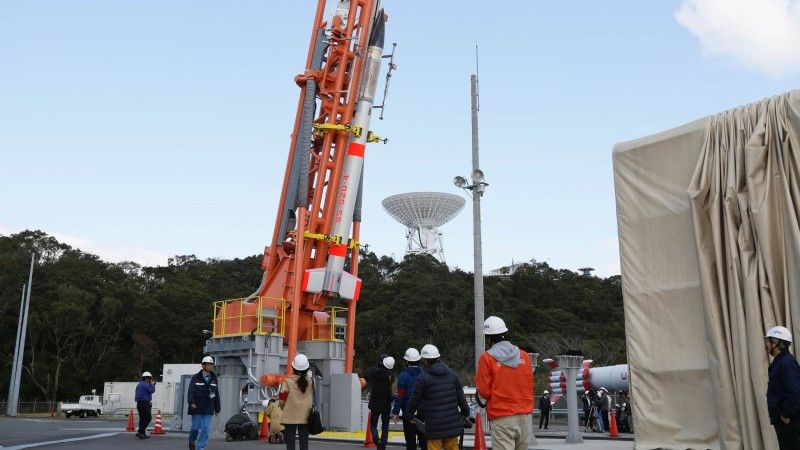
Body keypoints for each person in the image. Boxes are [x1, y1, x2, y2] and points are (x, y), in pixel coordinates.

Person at [474, 316, 534, 450]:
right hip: (524, 415)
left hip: (501, 415)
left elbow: (484, 391)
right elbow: (529, 384)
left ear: (489, 338)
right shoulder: (524, 356)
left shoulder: (487, 358)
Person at [407, 344, 470, 450]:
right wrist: (464, 413)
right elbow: (461, 398)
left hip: (434, 427)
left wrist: (409, 415)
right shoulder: (452, 374)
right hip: (451, 425)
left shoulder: (423, 378)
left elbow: (415, 400)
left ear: (426, 361)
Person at [765, 326, 800, 449]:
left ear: (775, 343)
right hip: (783, 421)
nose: (766, 345)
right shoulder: (781, 362)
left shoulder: (786, 363)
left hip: (789, 421)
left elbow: (795, 393)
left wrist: (785, 414)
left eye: (768, 341)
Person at [392, 348, 426, 450]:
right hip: (423, 412)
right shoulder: (425, 374)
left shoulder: (403, 376)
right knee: (425, 442)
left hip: (408, 413)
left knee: (410, 443)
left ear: (407, 361)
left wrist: (396, 412)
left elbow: (400, 396)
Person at [279, 354, 314, 450]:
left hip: (290, 416)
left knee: (290, 444)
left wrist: (282, 407)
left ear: (293, 367)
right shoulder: (311, 381)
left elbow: (282, 399)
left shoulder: (288, 382)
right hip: (306, 417)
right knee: (304, 444)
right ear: (307, 368)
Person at [187, 356, 221, 450]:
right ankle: (191, 439)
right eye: (209, 364)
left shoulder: (214, 378)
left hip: (208, 407)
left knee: (206, 429)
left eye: (212, 364)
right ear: (203, 365)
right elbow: (191, 391)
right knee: (195, 427)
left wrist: (217, 408)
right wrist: (191, 402)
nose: (211, 366)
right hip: (196, 406)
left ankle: (200, 447)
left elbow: (216, 394)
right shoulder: (195, 377)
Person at [368, 355, 395, 450]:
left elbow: (370, 378)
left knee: (374, 425)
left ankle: (377, 441)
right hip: (386, 404)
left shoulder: (374, 372)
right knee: (385, 425)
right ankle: (383, 443)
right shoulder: (390, 376)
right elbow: (389, 390)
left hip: (375, 402)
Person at [134, 371, 156, 439]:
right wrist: (152, 384)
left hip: (139, 403)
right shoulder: (145, 385)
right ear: (147, 379)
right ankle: (140, 432)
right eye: (149, 379)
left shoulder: (139, 384)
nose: (150, 380)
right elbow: (151, 390)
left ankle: (142, 433)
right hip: (144, 403)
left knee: (142, 419)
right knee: (148, 418)